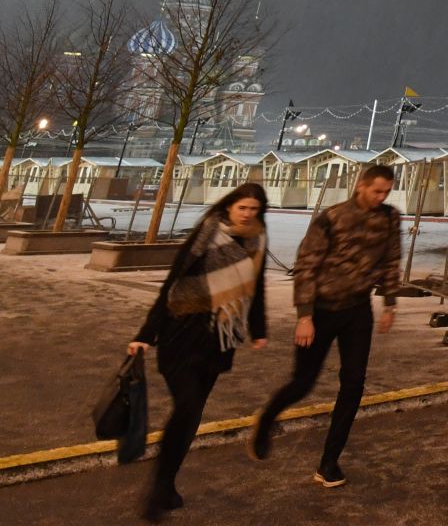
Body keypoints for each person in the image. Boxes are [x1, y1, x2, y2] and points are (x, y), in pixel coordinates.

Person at [249, 163, 403, 487]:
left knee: (354, 383)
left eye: (386, 192)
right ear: (361, 185)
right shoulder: (332, 218)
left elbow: (391, 261)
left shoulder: (390, 218)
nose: (381, 196)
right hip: (321, 310)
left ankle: (329, 463)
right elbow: (306, 265)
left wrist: (389, 303)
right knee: (303, 382)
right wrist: (304, 316)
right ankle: (265, 421)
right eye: (376, 190)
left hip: (358, 311)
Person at [127, 183, 270, 522]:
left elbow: (256, 288)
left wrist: (259, 329)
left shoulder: (257, 242)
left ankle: (166, 484)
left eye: (254, 209)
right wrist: (146, 333)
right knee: (188, 406)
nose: (248, 214)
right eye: (243, 208)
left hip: (219, 340)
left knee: (191, 415)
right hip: (183, 333)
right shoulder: (207, 234)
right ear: (229, 207)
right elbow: (171, 283)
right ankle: (157, 488)